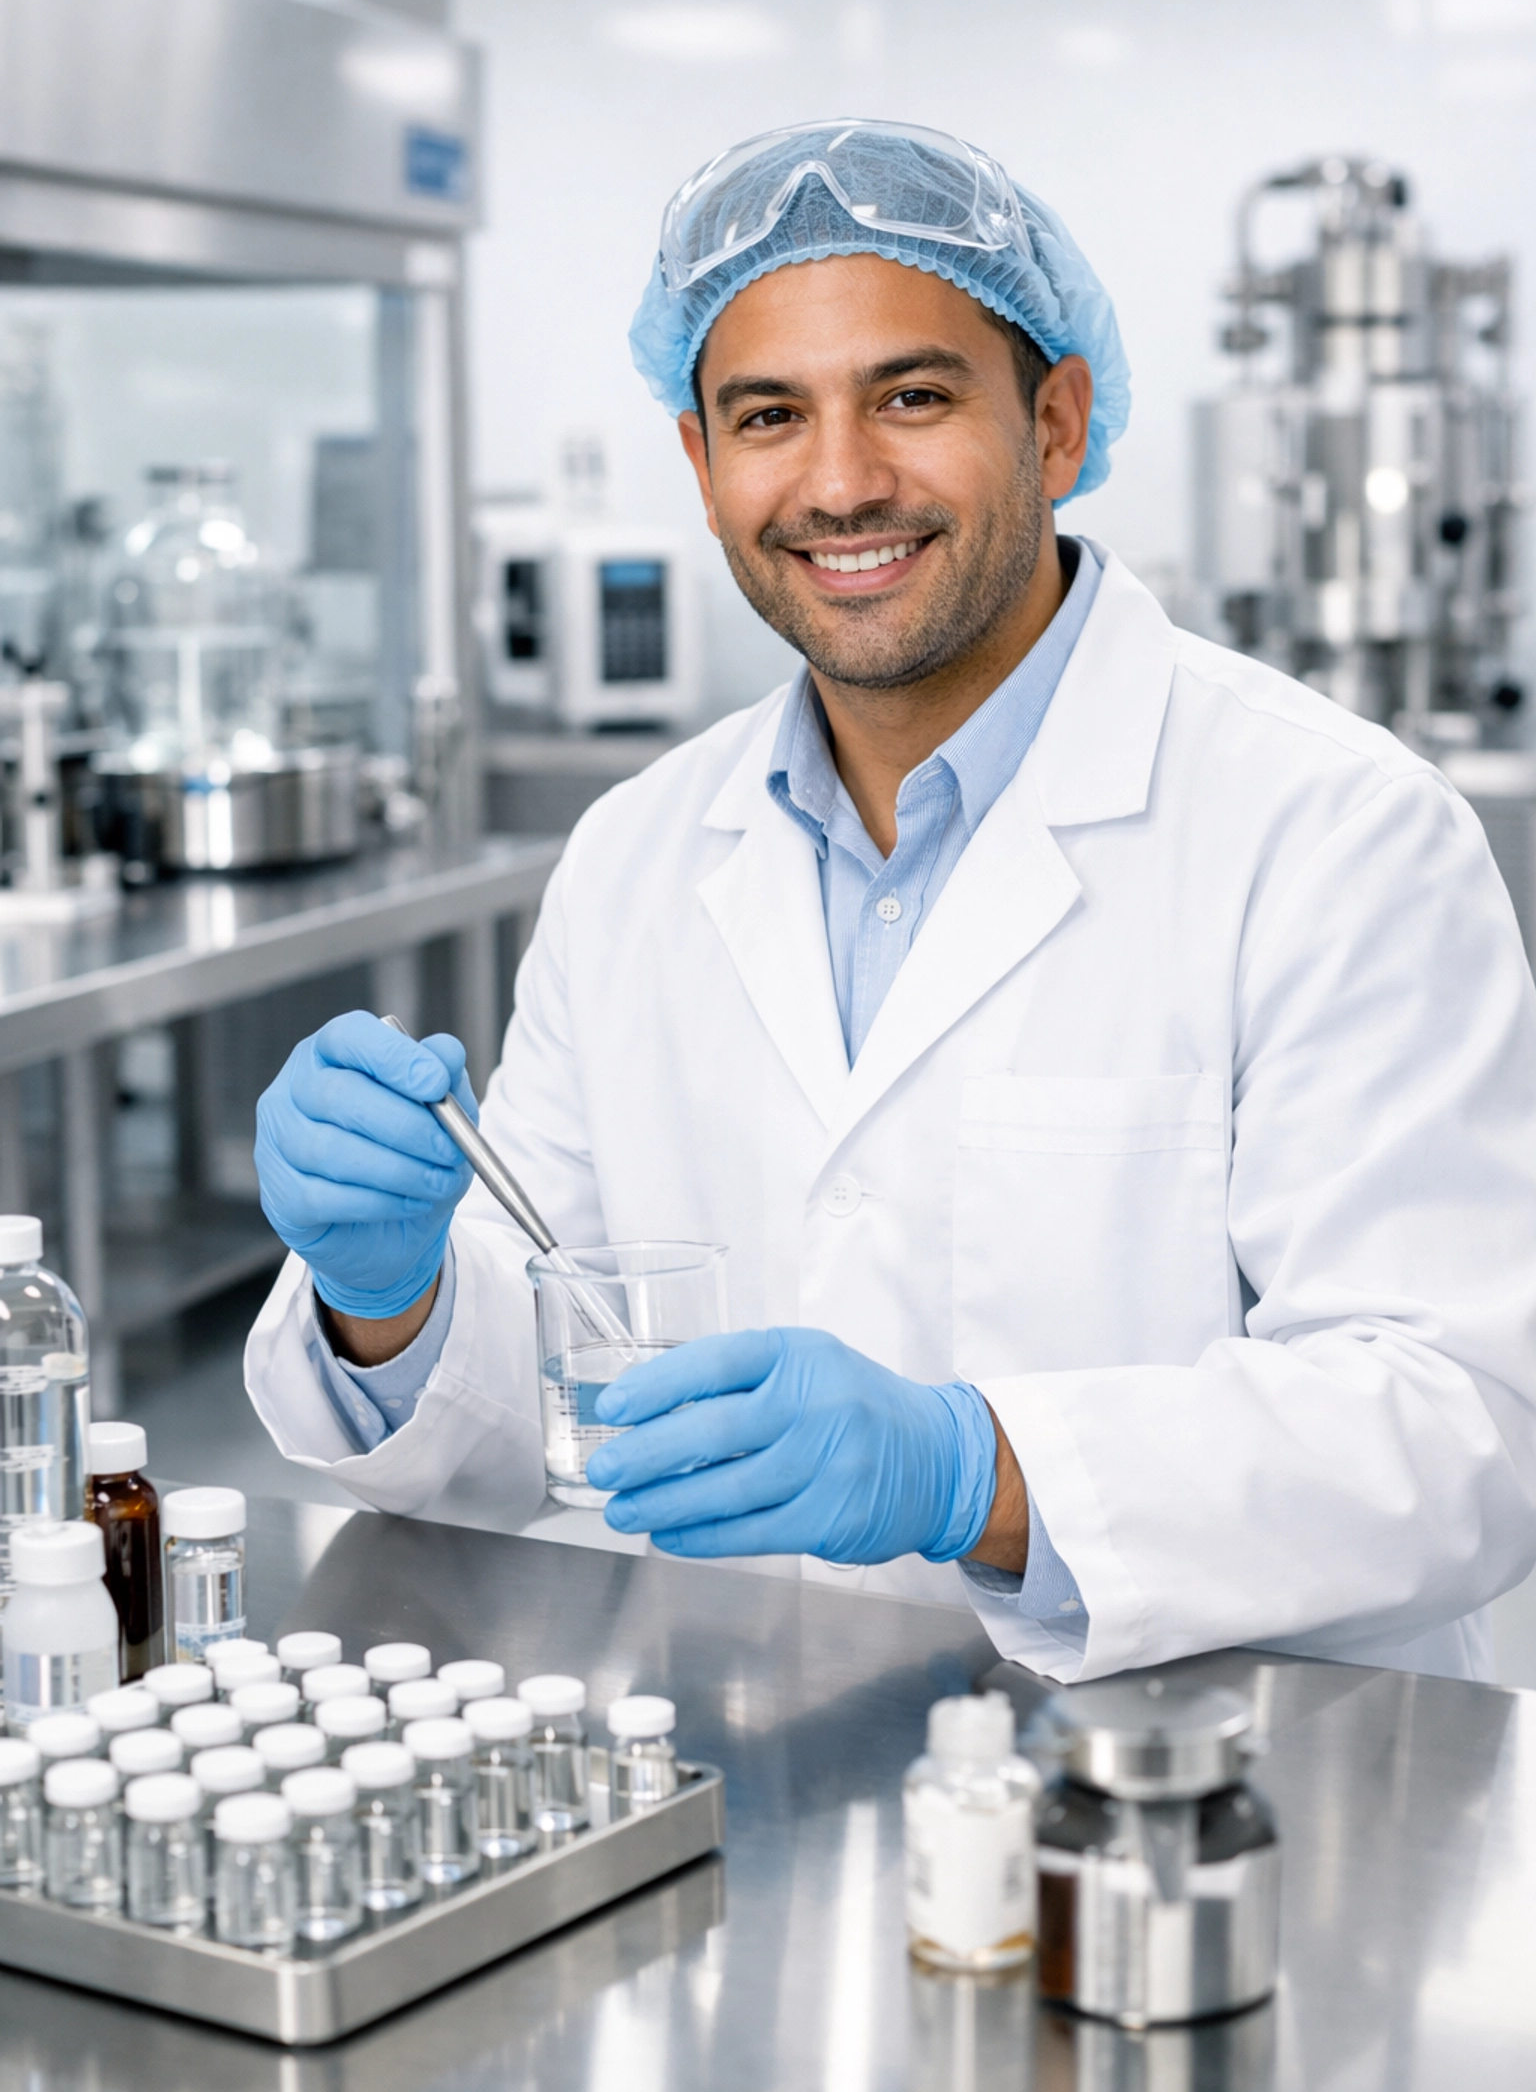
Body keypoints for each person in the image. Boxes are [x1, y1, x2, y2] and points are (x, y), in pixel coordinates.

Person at [248, 119, 1536, 1683]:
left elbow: (1461, 1421)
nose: (842, 482)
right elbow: (557, 1396)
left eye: (913, 397)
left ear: (1056, 424)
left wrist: (967, 1471)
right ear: (702, 466)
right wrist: (398, 1299)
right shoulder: (641, 851)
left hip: (1231, 1803)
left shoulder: (1335, 830)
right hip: (758, 1760)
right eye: (769, 415)